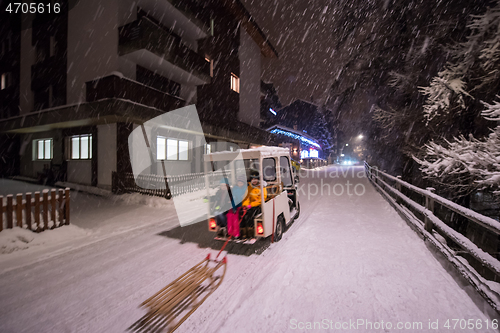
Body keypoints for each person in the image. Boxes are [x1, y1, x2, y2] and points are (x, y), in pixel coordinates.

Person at [240, 171, 267, 237]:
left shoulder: (262, 187)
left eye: (255, 179)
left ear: (258, 179)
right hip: (250, 205)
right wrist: (245, 205)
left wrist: (250, 205)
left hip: (258, 206)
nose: (254, 181)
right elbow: (247, 197)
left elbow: (262, 199)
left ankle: (251, 232)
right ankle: (243, 231)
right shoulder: (249, 187)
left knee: (251, 214)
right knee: (240, 213)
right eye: (253, 179)